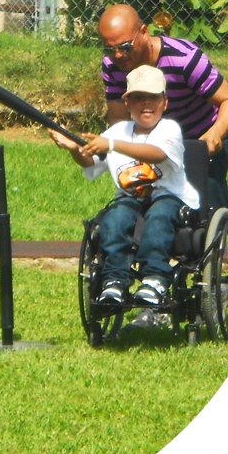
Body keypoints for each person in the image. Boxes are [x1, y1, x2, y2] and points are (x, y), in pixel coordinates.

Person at [51, 65, 199, 307]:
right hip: (131, 198)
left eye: (153, 97)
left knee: (159, 217)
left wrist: (111, 145)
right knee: (113, 219)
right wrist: (74, 149)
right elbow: (90, 161)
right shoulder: (117, 131)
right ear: (127, 103)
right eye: (139, 97)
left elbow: (157, 153)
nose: (146, 103)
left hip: (170, 197)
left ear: (165, 102)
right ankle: (115, 280)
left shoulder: (169, 128)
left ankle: (155, 279)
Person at [99, 4, 228, 210]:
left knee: (205, 202)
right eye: (109, 49)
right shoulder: (112, 66)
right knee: (151, 202)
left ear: (144, 32)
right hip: (156, 142)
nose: (118, 55)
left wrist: (215, 133)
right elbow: (118, 118)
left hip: (200, 135)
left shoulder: (185, 59)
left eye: (125, 47)